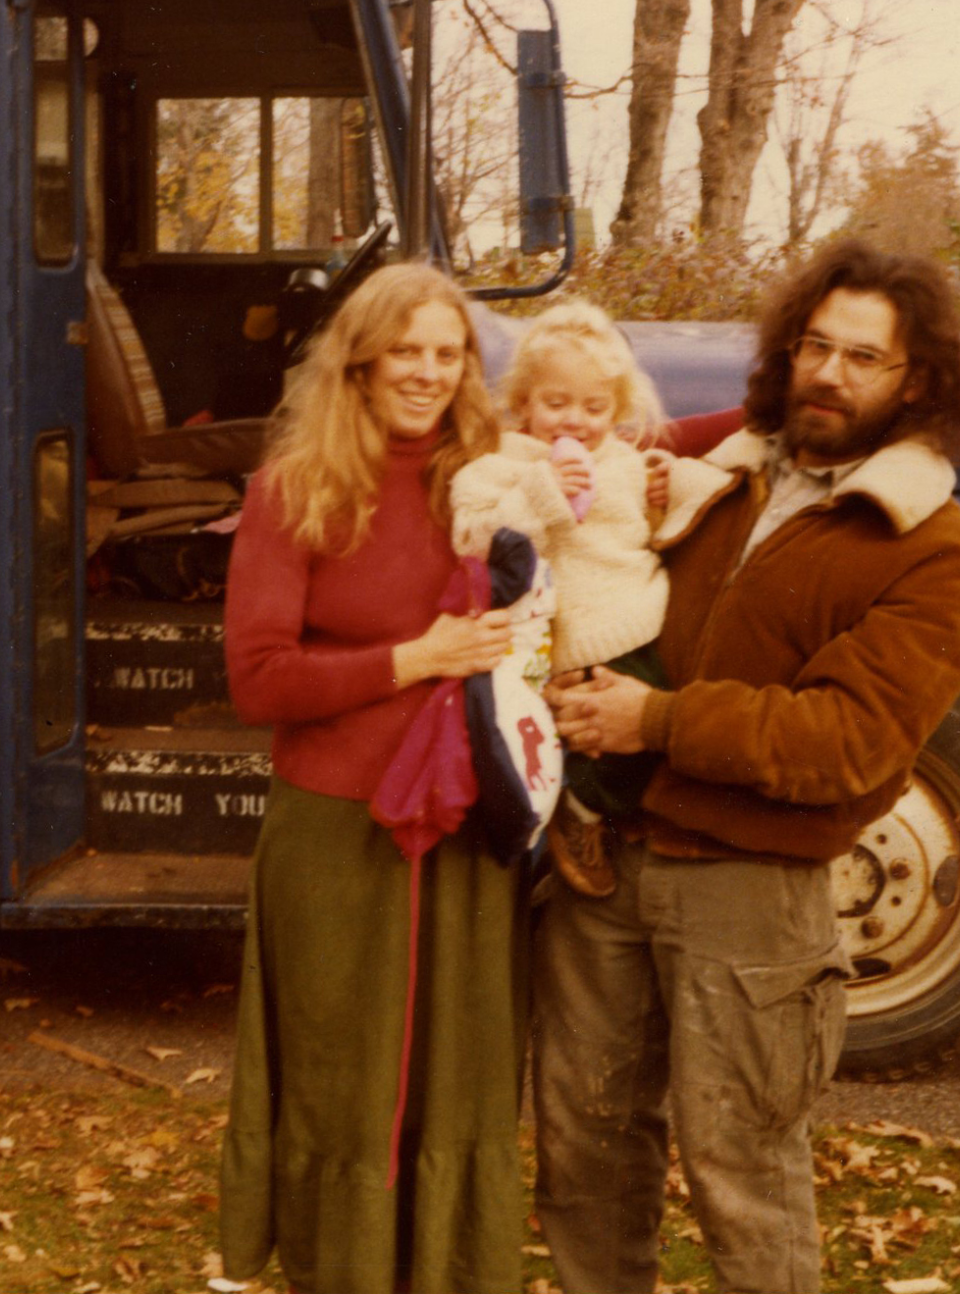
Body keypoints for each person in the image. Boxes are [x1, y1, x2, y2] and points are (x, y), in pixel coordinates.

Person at [533, 239, 960, 1294]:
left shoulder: (927, 543)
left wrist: (658, 721)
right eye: (817, 344)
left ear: (916, 381)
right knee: (583, 1149)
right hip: (607, 869)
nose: (830, 372)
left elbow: (847, 740)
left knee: (741, 1168)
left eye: (865, 357)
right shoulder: (723, 473)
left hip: (751, 889)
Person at [218, 263, 530, 1294]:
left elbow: (634, 446)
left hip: (465, 818)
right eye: (407, 350)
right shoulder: (295, 487)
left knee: (457, 1069)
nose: (429, 373)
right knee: (339, 1077)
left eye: (449, 354)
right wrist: (416, 657)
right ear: (361, 357)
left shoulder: (492, 476)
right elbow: (256, 678)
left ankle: (445, 1266)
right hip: (337, 826)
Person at [451, 300, 727, 897]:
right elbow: (470, 538)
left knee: (654, 742)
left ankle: (596, 812)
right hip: (559, 647)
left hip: (640, 626)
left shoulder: (625, 463)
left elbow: (665, 527)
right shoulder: (499, 465)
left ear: (618, 410)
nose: (575, 420)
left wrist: (671, 483)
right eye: (556, 404)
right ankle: (576, 813)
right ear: (524, 401)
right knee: (582, 749)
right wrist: (541, 493)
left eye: (594, 407)